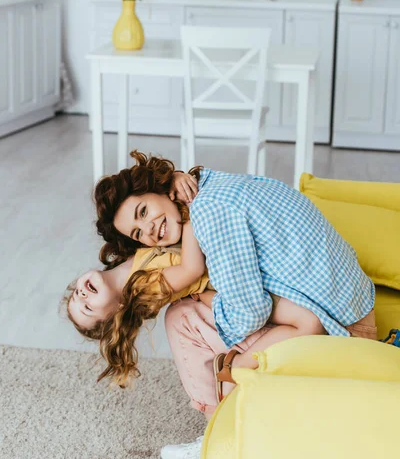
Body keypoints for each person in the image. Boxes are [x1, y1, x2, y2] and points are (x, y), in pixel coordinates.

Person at [93, 150, 377, 458]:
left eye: (144, 211)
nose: (148, 229)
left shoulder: (210, 212)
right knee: (204, 306)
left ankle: (221, 439)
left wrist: (200, 296)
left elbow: (248, 313)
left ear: (160, 189)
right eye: (138, 232)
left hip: (345, 331)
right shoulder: (211, 186)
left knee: (182, 317)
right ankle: (235, 417)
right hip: (346, 308)